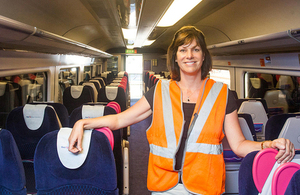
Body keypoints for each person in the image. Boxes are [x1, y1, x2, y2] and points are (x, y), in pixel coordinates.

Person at [69, 26, 295, 195]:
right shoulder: (160, 90)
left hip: (205, 186)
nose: (189, 55)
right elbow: (119, 120)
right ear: (175, 57)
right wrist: (82, 123)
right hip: (164, 186)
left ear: (203, 55)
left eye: (196, 49)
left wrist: (268, 144)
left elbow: (238, 144)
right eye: (183, 49)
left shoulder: (223, 94)